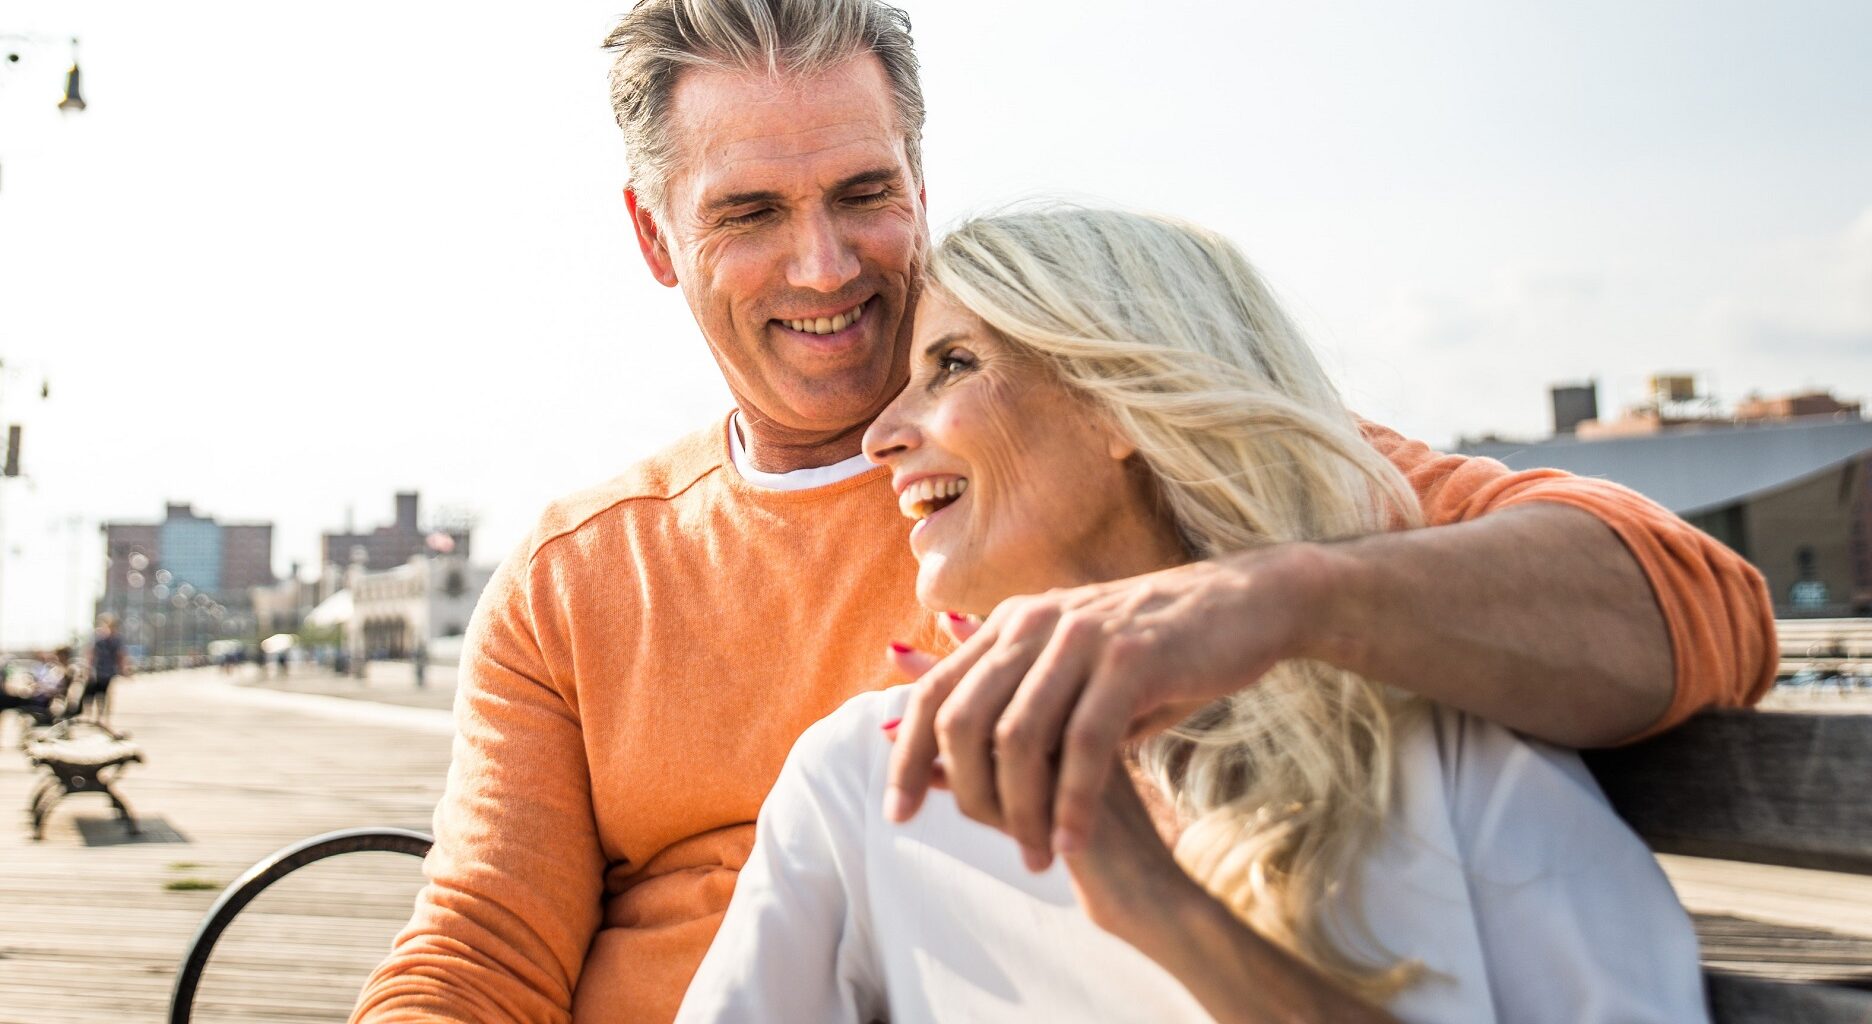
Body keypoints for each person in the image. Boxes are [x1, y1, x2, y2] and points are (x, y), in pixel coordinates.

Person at [353, 3, 1773, 1021]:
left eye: (865, 191)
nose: (828, 263)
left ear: (920, 180)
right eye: (750, 213)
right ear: (656, 236)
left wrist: (1253, 599)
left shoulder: (1166, 459)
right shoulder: (582, 578)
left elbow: (1689, 601)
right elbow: (479, 952)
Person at [678, 206, 1711, 1023]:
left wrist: (1158, 910)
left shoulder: (1441, 746)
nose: (887, 433)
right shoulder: (867, 779)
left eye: (952, 365)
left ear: (1120, 403)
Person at [78, 616, 130, 724]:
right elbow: (90, 653)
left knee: (104, 694)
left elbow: (120, 655)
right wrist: (86, 668)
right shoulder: (97, 637)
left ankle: (101, 716)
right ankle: (88, 715)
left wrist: (124, 669)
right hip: (95, 670)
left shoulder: (117, 639)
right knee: (90, 693)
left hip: (108, 671)